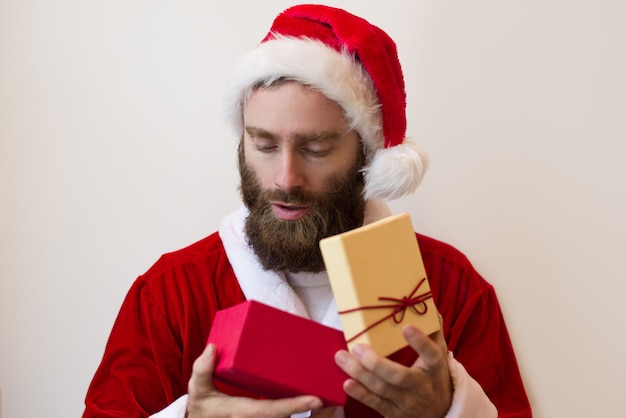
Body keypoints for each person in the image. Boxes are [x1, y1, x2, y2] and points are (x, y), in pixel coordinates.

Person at [83, 4, 531, 418]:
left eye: (316, 148)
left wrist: (449, 410)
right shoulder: (170, 294)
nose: (285, 177)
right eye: (263, 144)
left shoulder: (450, 287)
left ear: (367, 156)